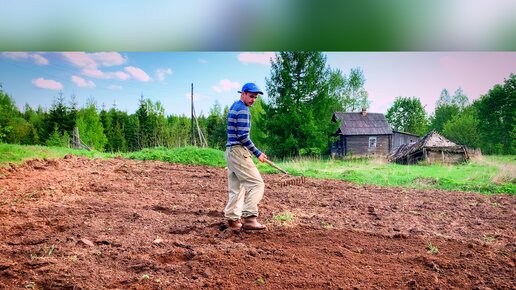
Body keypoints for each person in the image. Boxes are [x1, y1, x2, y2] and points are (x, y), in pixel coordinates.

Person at [224, 82, 268, 231]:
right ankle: (250, 218)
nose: (253, 100)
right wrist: (257, 153)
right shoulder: (243, 110)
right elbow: (243, 136)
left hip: (230, 151)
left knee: (237, 187)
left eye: (255, 97)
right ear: (243, 93)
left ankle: (233, 220)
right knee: (257, 184)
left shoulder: (234, 106)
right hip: (238, 151)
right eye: (251, 96)